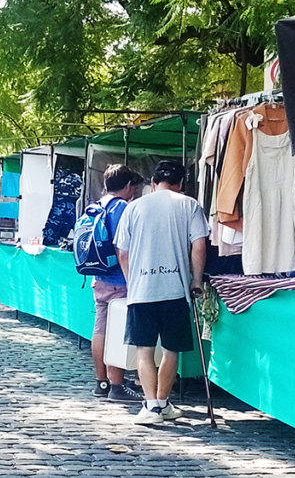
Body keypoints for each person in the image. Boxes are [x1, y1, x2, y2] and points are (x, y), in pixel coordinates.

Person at [115, 161, 208, 425]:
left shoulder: (133, 207)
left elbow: (123, 252)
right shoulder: (189, 205)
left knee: (144, 351)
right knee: (171, 350)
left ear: (153, 183)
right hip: (175, 290)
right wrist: (197, 280)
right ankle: (163, 402)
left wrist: (132, 281)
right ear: (180, 184)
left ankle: (152, 406)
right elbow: (198, 246)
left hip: (141, 290)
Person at [89, 165, 144, 403]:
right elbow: (126, 247)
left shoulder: (97, 204)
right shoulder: (123, 208)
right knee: (116, 333)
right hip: (119, 279)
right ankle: (117, 385)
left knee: (100, 330)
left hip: (99, 277)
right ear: (129, 186)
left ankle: (101, 382)